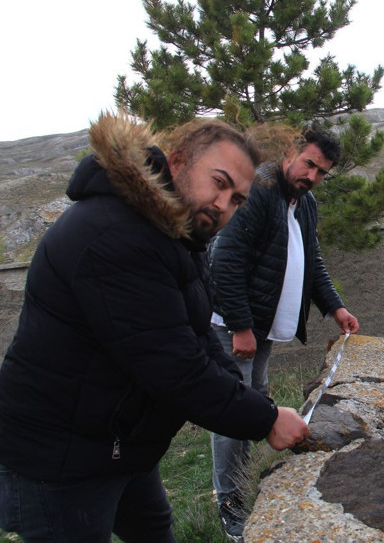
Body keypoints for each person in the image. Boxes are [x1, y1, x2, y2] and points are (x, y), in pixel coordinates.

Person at [0, 112, 309, 542]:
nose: (223, 205)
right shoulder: (116, 233)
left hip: (118, 444)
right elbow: (173, 365)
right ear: (177, 160)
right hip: (59, 457)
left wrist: (255, 401)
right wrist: (266, 419)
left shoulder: (174, 234)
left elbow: (196, 334)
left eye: (237, 199)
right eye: (218, 183)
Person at [207, 125, 359, 540]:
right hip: (236, 329)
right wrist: (240, 326)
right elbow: (227, 259)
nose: (312, 176)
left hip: (263, 332)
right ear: (291, 152)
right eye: (309, 163)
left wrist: (335, 306)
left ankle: (244, 477)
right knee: (232, 411)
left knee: (252, 402)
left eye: (322, 172)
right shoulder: (260, 191)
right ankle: (229, 498)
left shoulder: (304, 203)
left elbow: (312, 260)